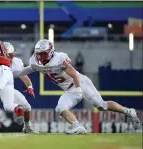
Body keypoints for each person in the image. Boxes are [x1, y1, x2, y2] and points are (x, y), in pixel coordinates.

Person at [13, 39, 141, 134]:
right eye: (39, 54)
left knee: (101, 105)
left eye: (43, 54)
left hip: (80, 83)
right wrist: (10, 73)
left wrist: (79, 89)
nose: (40, 57)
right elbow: (25, 70)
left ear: (51, 52)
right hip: (69, 89)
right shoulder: (35, 62)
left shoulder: (59, 59)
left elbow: (74, 74)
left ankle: (129, 112)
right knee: (60, 108)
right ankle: (78, 127)